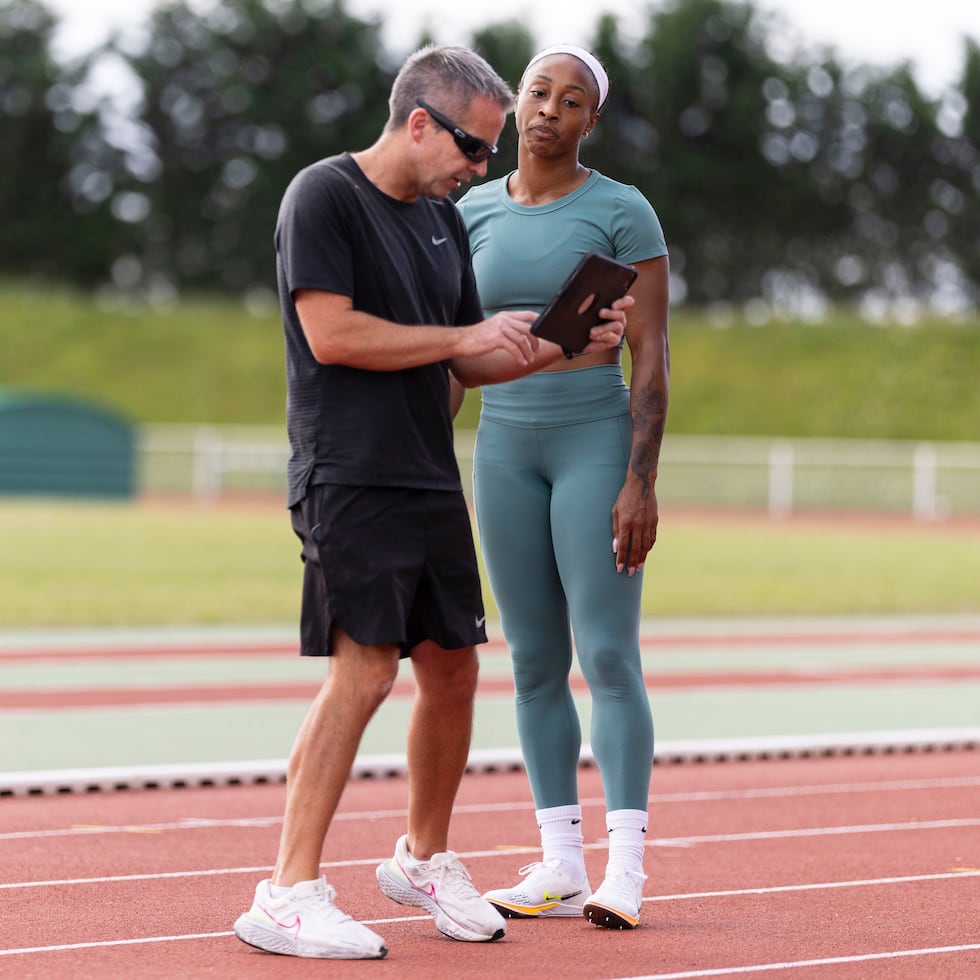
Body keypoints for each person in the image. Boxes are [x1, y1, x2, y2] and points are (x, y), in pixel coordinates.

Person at [232, 44, 630, 960]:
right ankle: (286, 891)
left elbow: (460, 365)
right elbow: (331, 336)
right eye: (472, 149)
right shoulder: (323, 195)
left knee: (454, 666)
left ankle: (423, 855)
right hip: (350, 469)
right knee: (365, 670)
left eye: (488, 155)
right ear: (419, 122)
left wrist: (558, 345)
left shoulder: (443, 225)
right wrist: (464, 332)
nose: (482, 168)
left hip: (425, 469)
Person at [455, 43, 670, 931]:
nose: (549, 108)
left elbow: (652, 353)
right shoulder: (466, 210)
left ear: (591, 120)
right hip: (502, 447)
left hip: (592, 439)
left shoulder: (622, 211)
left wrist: (639, 480)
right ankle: (559, 864)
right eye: (537, 92)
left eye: (571, 99)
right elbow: (453, 347)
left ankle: (626, 869)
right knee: (533, 663)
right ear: (514, 107)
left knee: (608, 657)